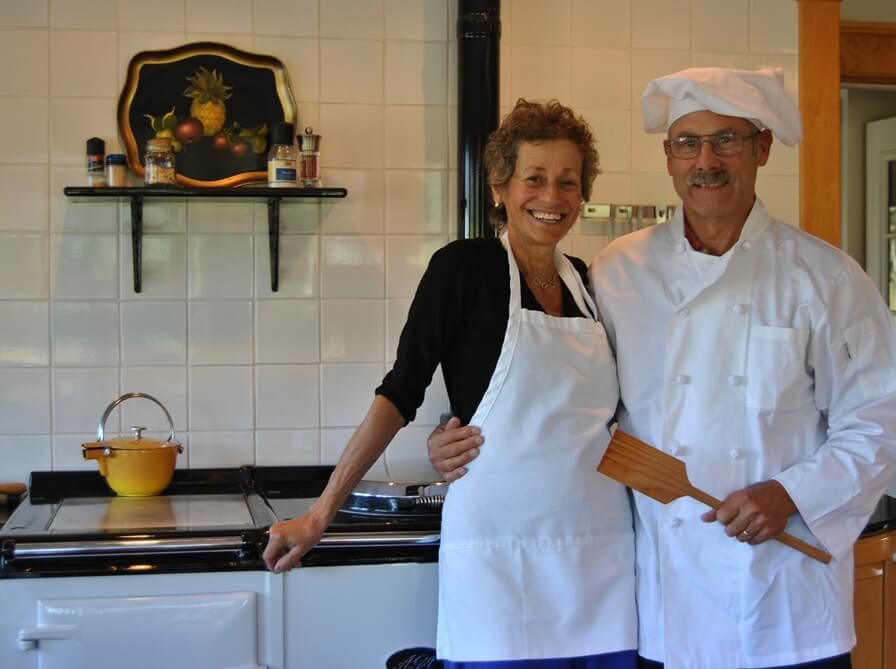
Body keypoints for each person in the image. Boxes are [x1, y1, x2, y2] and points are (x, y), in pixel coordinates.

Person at [428, 68, 896, 669]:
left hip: (783, 604)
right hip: (664, 607)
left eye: (726, 140)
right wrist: (455, 431)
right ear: (668, 157)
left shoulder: (826, 278)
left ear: (761, 148)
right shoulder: (618, 270)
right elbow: (561, 387)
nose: (705, 160)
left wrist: (791, 494)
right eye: (688, 143)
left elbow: (881, 422)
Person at [262, 99, 638, 668]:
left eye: (568, 181)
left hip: (600, 553)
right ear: (500, 188)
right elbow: (400, 390)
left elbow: (609, 416)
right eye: (534, 178)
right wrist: (321, 514)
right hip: (499, 554)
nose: (552, 197)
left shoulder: (587, 283)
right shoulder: (462, 269)